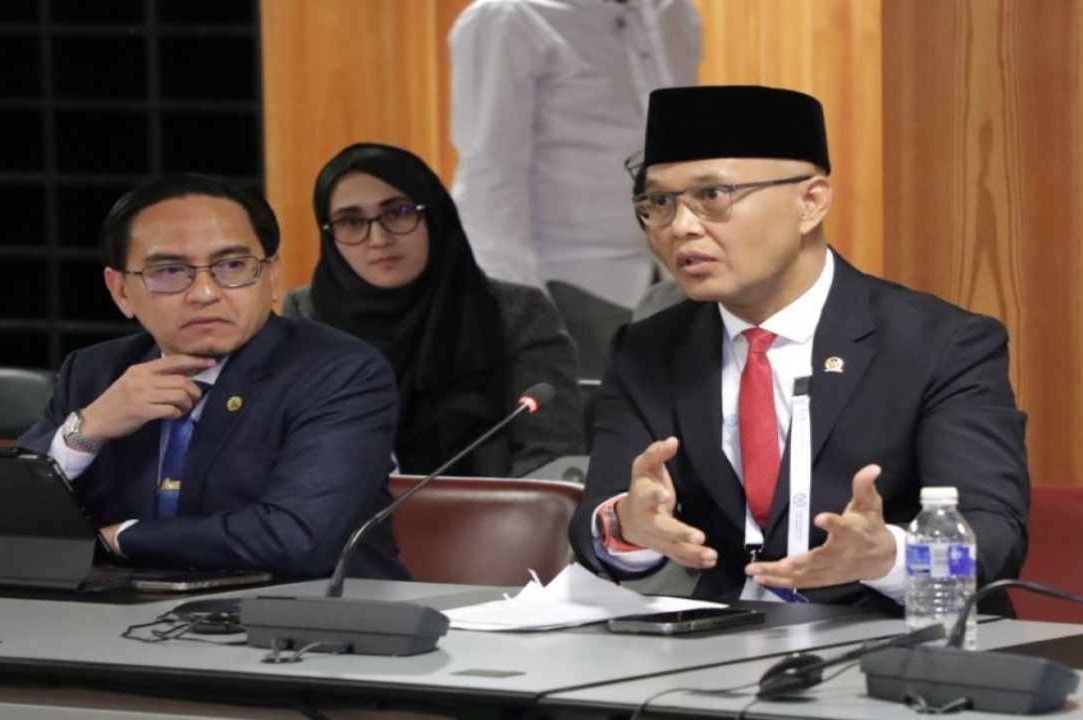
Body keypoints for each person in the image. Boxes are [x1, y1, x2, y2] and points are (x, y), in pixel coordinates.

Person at [568, 86, 1029, 613]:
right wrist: (627, 526)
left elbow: (996, 540)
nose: (682, 227)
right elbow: (594, 528)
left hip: (897, 649)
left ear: (810, 201)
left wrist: (887, 557)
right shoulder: (648, 347)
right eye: (660, 203)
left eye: (713, 197)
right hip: (717, 655)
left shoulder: (941, 344)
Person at [18, 173, 406, 580]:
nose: (205, 292)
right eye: (169, 270)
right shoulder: (95, 373)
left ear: (271, 275)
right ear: (120, 291)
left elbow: (295, 537)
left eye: (233, 265)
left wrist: (123, 538)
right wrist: (87, 430)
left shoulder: (339, 372)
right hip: (121, 623)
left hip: (310, 623)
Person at [282, 143, 585, 478]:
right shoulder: (306, 314)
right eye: (351, 222)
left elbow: (550, 458)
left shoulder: (517, 314)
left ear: (434, 214)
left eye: (397, 212)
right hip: (343, 523)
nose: (378, 237)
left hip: (488, 522)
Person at [448, 0, 701, 310]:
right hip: (569, 281)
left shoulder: (674, 12)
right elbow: (489, 175)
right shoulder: (508, 17)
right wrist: (516, 309)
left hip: (673, 274)